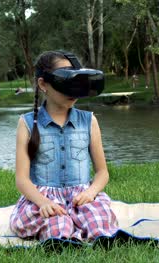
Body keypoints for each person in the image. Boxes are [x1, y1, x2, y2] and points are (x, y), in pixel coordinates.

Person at [10, 50, 118, 241]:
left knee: (98, 222)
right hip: (44, 199)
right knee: (58, 227)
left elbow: (102, 172)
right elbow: (22, 179)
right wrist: (42, 202)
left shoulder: (89, 121)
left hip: (81, 197)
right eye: (65, 83)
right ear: (43, 84)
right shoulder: (26, 124)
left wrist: (91, 193)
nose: (72, 91)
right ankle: (63, 239)